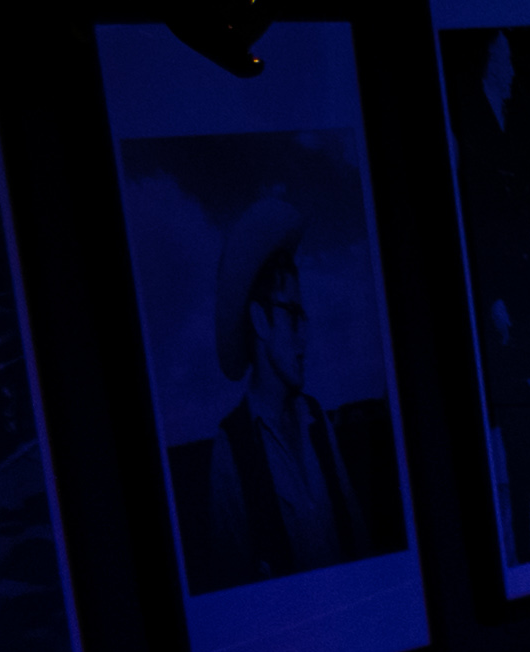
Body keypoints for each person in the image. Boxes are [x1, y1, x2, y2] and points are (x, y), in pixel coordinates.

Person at [164, 192, 401, 591]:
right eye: (293, 315)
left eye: (303, 316)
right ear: (260, 320)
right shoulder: (230, 449)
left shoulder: (317, 420)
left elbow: (359, 539)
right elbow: (236, 587)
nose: (305, 335)